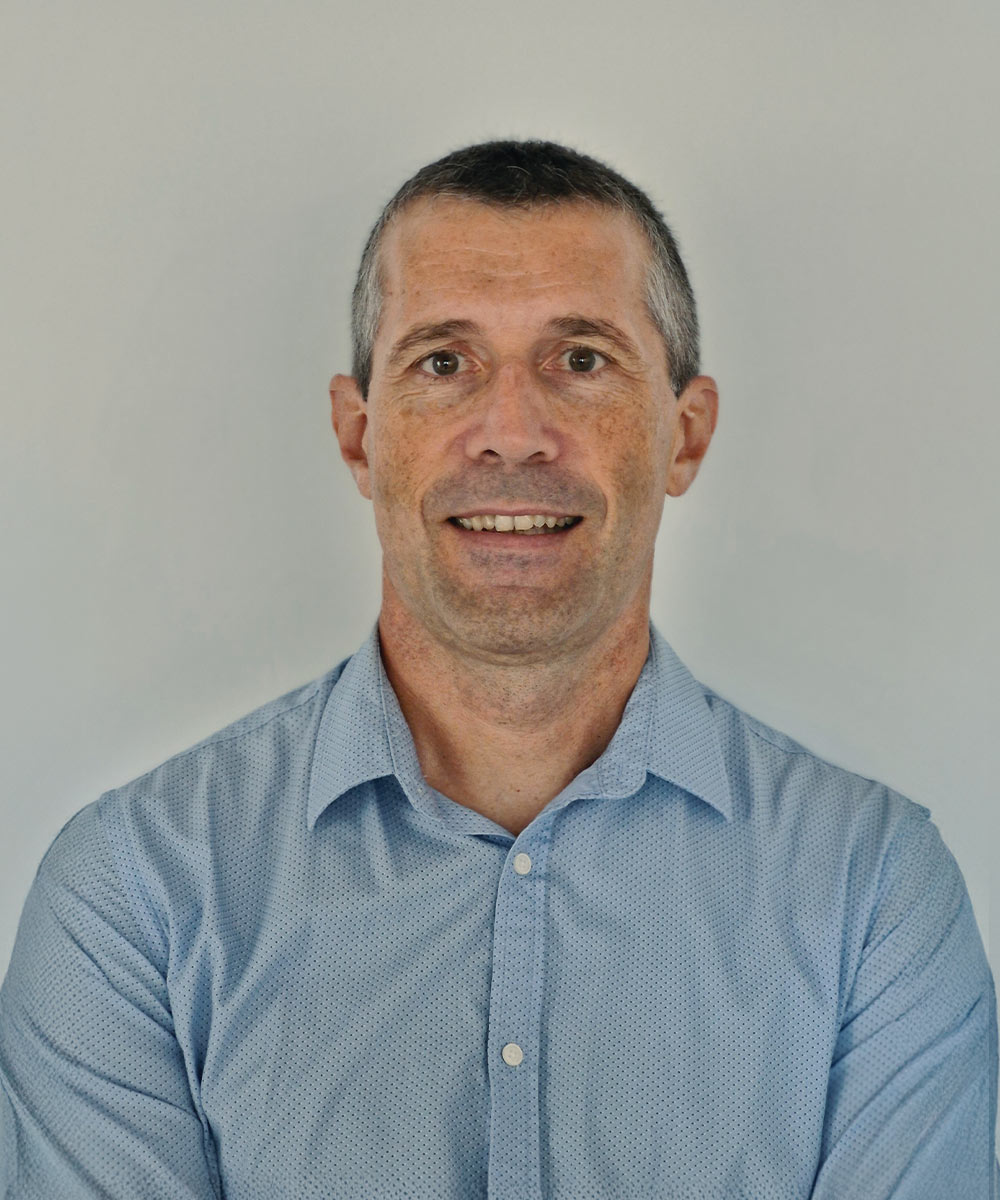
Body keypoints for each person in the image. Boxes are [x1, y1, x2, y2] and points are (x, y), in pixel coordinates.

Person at [1, 139, 996, 1199]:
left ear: (684, 435)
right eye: (443, 362)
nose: (512, 434)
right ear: (358, 437)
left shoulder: (871, 896)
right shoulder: (136, 893)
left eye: (580, 359)